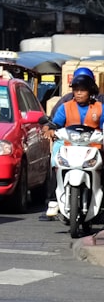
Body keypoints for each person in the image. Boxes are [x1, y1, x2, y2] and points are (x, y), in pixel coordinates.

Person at [40, 67, 103, 220]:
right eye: (76, 90)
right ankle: (54, 201)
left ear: (90, 90)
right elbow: (54, 123)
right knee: (56, 163)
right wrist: (49, 129)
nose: (79, 93)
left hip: (93, 147)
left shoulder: (100, 107)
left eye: (83, 90)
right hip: (69, 146)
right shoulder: (65, 106)